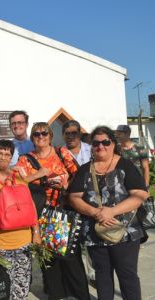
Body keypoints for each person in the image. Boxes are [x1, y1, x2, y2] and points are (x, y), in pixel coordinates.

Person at [69, 126, 148, 300]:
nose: (101, 146)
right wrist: (95, 212)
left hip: (125, 232)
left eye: (105, 142)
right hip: (95, 231)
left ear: (113, 143)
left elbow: (140, 195)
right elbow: (73, 197)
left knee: (127, 276)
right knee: (102, 276)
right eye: (96, 143)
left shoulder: (125, 165)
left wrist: (111, 211)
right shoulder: (84, 169)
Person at [16, 122, 89, 300]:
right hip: (41, 215)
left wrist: (66, 186)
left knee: (71, 257)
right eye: (36, 134)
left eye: (44, 133)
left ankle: (80, 295)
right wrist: (38, 174)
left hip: (64, 212)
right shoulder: (25, 159)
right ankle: (56, 295)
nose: (41, 137)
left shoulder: (60, 153)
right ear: (32, 138)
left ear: (50, 136)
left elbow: (78, 175)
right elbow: (18, 184)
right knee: (49, 261)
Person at [0, 139, 41, 299]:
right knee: (3, 288)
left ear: (11, 157)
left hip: (23, 241)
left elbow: (31, 206)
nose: (2, 157)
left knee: (22, 287)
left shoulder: (19, 178)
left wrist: (36, 233)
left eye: (7, 154)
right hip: (0, 243)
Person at [62, 120, 95, 286]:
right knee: (74, 245)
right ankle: (78, 279)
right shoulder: (59, 154)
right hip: (69, 204)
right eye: (67, 133)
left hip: (91, 203)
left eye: (74, 133)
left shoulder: (92, 150)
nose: (71, 136)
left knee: (92, 241)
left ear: (79, 133)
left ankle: (94, 275)